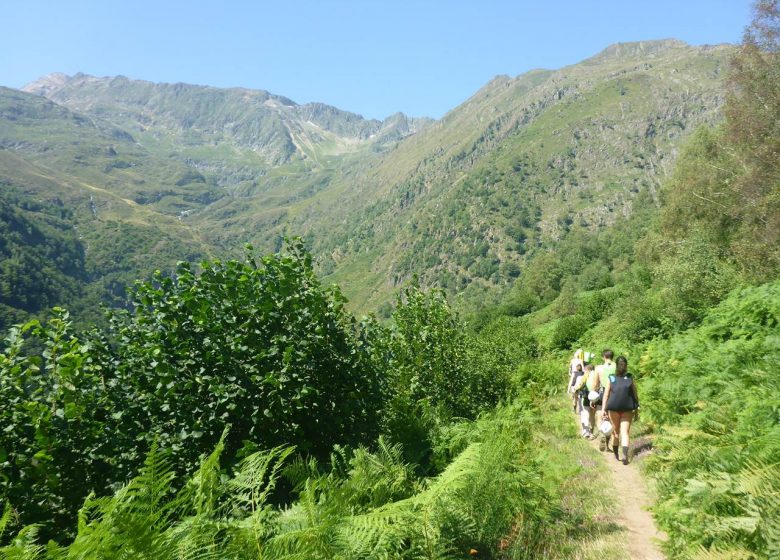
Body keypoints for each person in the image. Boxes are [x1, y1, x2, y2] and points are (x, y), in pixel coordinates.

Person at [601, 356, 640, 465]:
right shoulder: (630, 378)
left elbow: (606, 395)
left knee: (616, 433)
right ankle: (625, 455)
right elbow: (635, 395)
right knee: (625, 433)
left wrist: (604, 409)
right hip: (627, 409)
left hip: (613, 409)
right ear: (626, 366)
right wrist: (636, 409)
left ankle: (616, 455)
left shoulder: (611, 378)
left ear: (616, 366)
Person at [594, 349, 616, 451]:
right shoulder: (616, 366)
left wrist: (593, 396)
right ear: (612, 356)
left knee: (600, 416)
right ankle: (607, 445)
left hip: (603, 392)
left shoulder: (598, 368)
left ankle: (601, 432)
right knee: (611, 419)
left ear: (603, 357)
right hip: (615, 393)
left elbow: (595, 384)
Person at [574, 363, 599, 438]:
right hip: (595, 395)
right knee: (592, 414)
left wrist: (575, 389)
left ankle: (586, 431)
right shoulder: (596, 374)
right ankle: (591, 431)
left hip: (587, 395)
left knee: (586, 412)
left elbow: (581, 384)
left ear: (587, 369)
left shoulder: (587, 374)